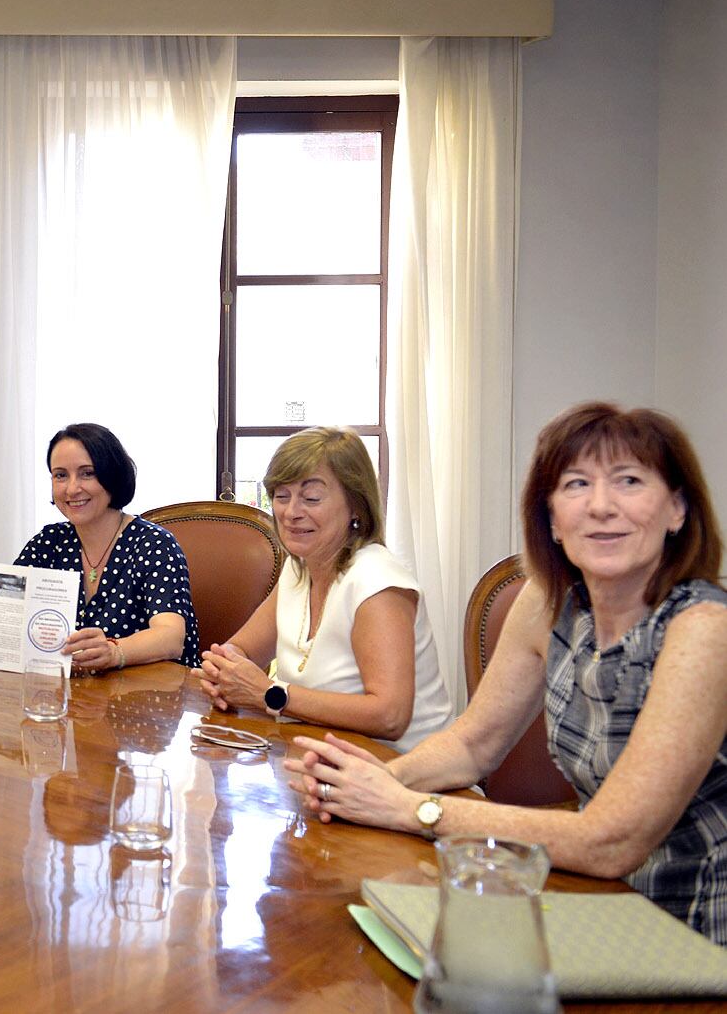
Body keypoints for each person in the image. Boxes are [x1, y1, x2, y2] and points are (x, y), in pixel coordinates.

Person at [286, 403, 727, 943]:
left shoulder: (704, 629)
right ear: (551, 519)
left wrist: (412, 809)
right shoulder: (549, 599)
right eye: (576, 484)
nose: (601, 506)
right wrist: (372, 783)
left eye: (629, 481)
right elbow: (474, 744)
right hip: (596, 896)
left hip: (696, 924)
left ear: (678, 509)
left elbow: (611, 841)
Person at [195, 428, 450, 752]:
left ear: (356, 506)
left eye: (311, 498)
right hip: (317, 766)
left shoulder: (377, 582)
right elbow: (240, 652)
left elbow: (390, 716)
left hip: (404, 779)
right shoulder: (299, 568)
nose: (291, 512)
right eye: (281, 496)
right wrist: (225, 673)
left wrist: (270, 694)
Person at [0, 422, 198, 673]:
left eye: (87, 473)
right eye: (61, 475)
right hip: (70, 698)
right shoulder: (49, 542)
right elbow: (9, 612)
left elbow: (170, 637)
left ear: (113, 476)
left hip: (150, 698)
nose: (72, 488)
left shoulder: (154, 544)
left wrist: (115, 652)